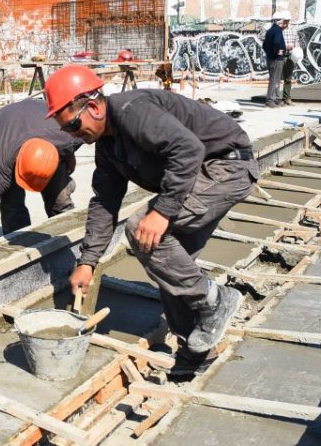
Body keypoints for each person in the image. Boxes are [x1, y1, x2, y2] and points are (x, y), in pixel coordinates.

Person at [45, 65, 258, 381]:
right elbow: (104, 203)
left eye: (74, 125)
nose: (74, 135)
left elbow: (188, 150)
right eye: (68, 131)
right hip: (200, 177)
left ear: (93, 105)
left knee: (139, 228)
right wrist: (88, 262)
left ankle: (218, 300)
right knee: (169, 265)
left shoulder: (132, 111)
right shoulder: (107, 147)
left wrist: (162, 212)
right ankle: (194, 355)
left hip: (225, 168)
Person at [0, 99, 81, 255]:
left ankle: (70, 244)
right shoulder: (1, 164)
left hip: (43, 115)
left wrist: (70, 154)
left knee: (60, 198)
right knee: (11, 201)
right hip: (5, 119)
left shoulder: (72, 137)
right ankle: (19, 247)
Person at [262, 11, 288, 108]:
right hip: (276, 59)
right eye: (284, 21)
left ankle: (276, 98)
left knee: (276, 79)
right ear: (280, 21)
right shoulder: (277, 30)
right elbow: (277, 42)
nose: (285, 24)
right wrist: (278, 51)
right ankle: (270, 100)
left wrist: (269, 52)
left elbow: (264, 45)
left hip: (271, 58)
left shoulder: (270, 30)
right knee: (274, 79)